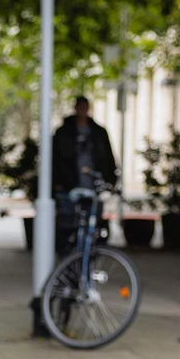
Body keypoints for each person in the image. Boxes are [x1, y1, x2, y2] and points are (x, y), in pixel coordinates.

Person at [52, 96, 117, 254]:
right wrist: (57, 181)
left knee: (93, 220)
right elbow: (55, 157)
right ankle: (68, 254)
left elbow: (108, 156)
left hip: (92, 183)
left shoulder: (98, 132)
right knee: (69, 221)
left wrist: (111, 179)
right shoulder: (64, 131)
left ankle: (89, 254)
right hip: (70, 184)